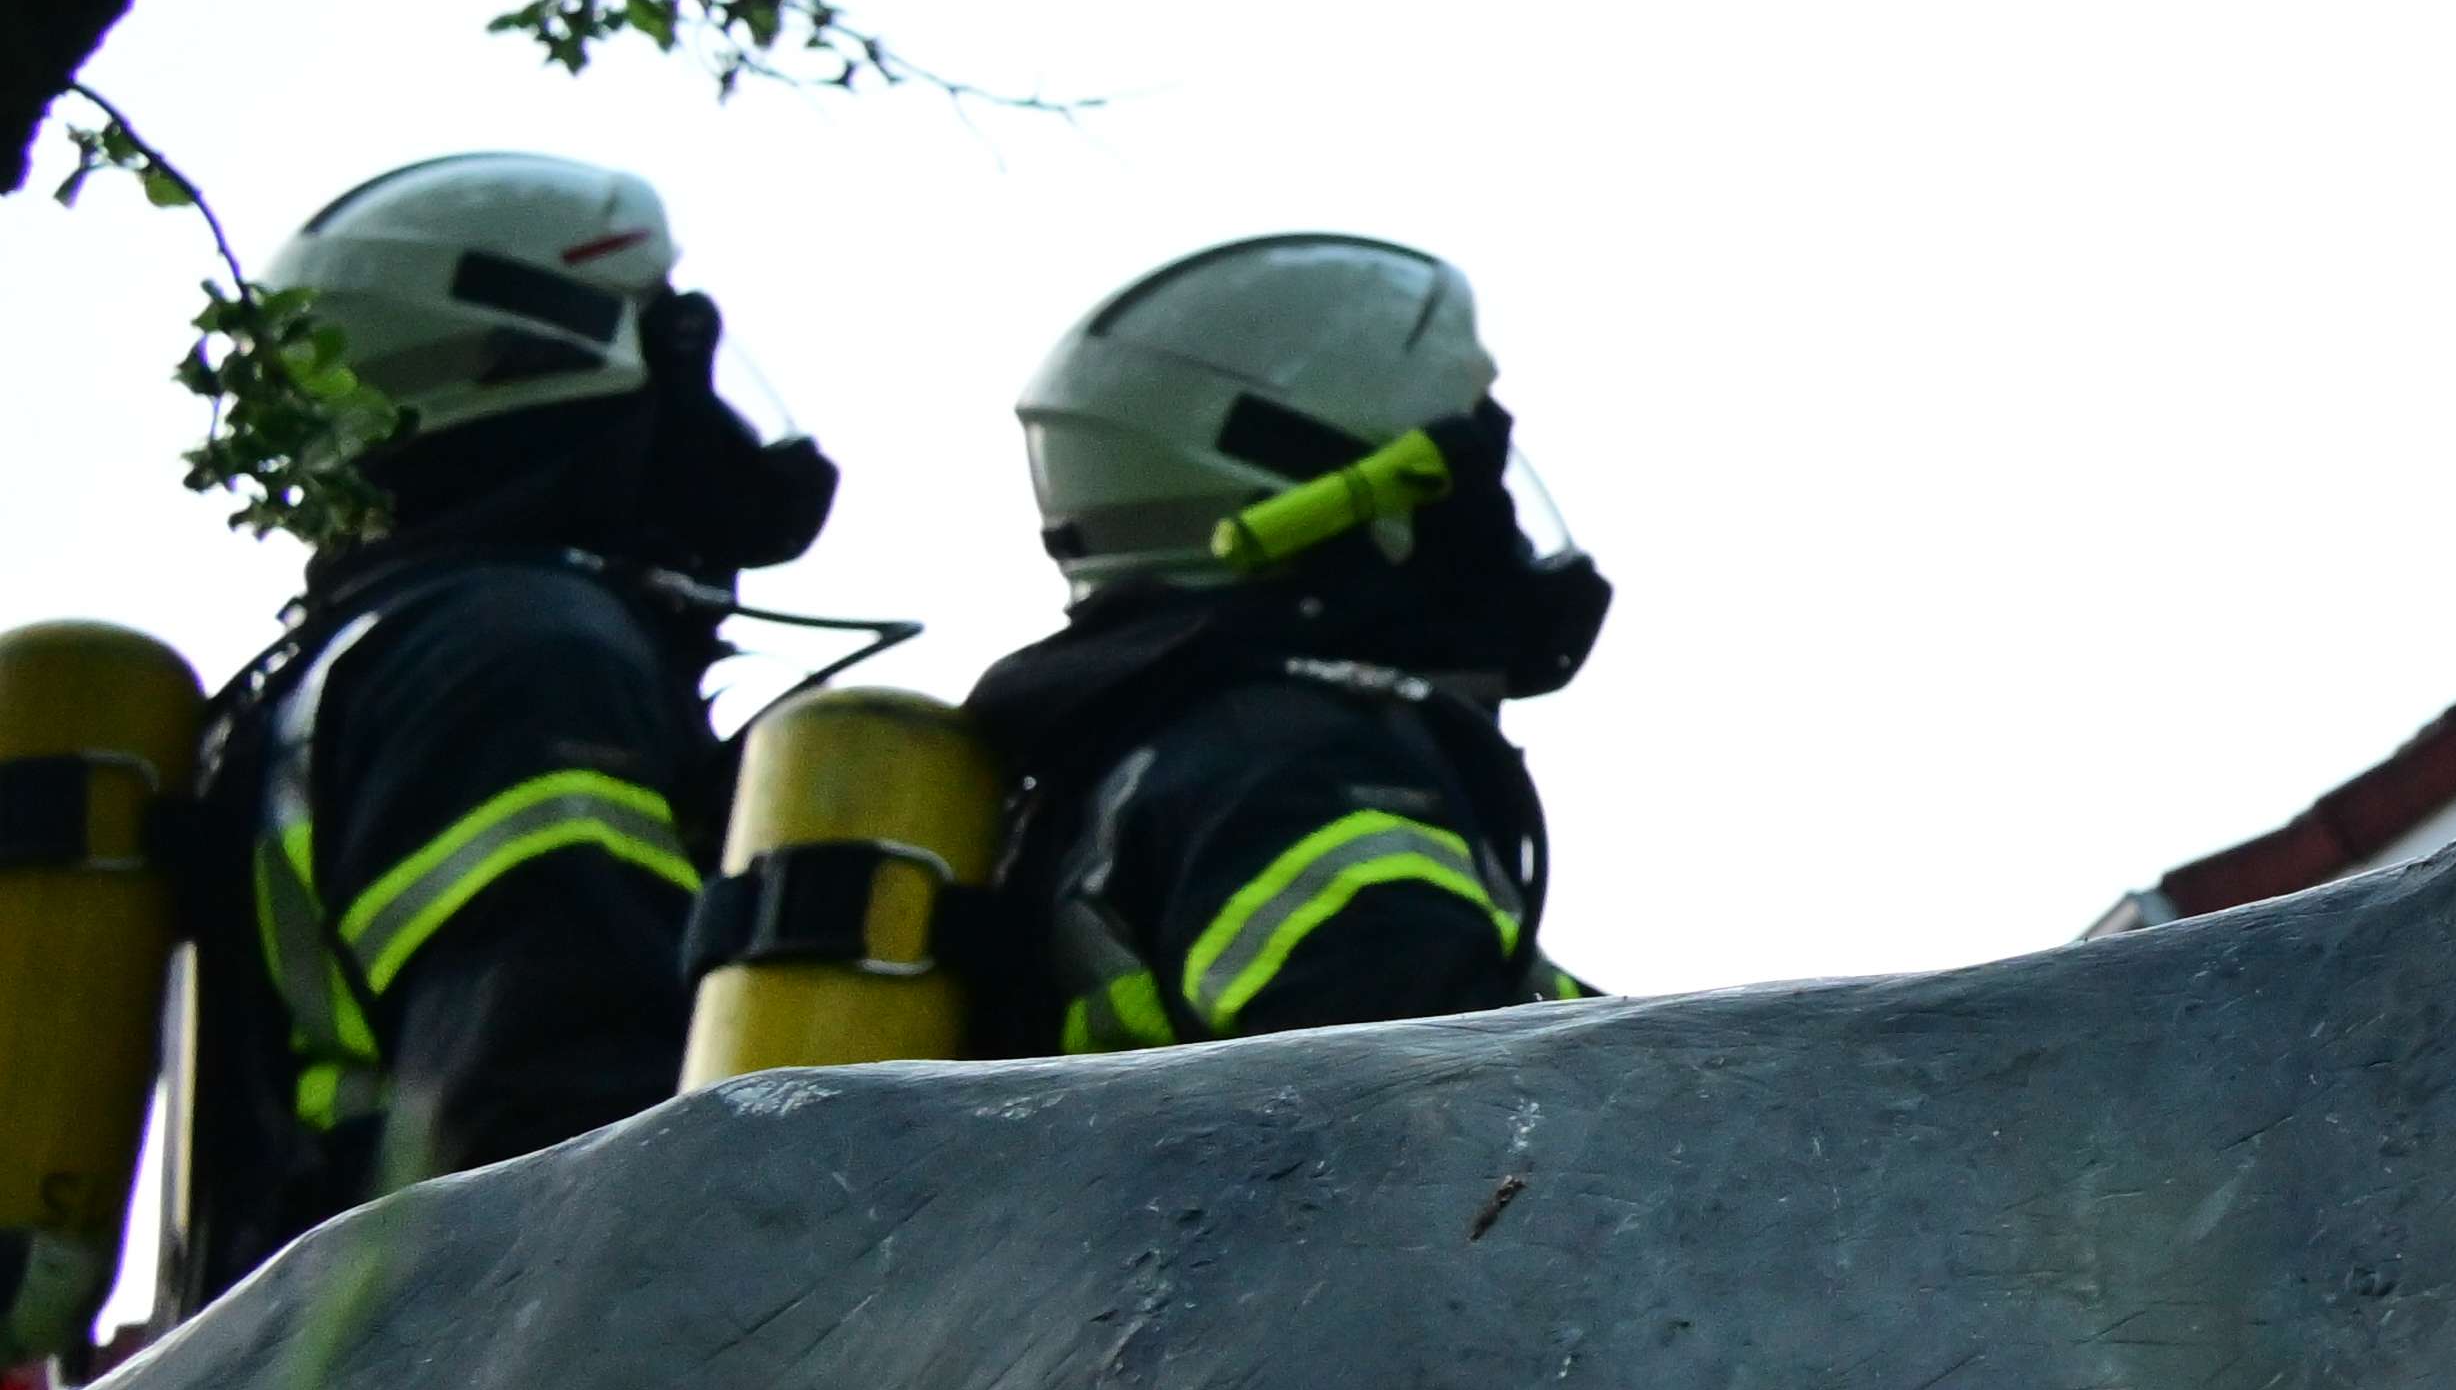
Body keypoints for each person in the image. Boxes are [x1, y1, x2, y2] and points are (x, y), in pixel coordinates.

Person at [170, 152, 839, 1291]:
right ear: (541, 353)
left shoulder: (388, 652)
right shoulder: (519, 660)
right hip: (454, 1368)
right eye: (669, 344)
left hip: (332, 1360)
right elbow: (561, 1126)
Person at [968, 236, 1607, 1050]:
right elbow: (1441, 1100)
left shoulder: (1147, 764)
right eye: (1465, 493)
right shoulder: (1297, 774)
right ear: (1351, 510)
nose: (1497, 532)